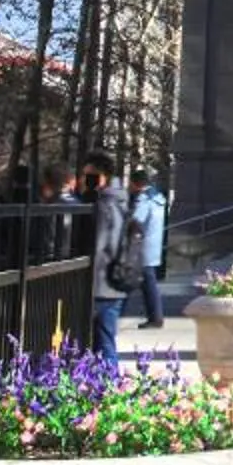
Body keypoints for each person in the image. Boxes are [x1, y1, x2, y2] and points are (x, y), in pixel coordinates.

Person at [81, 154, 132, 360]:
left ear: (103, 176)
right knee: (105, 339)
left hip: (101, 283)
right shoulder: (121, 199)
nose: (87, 180)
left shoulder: (105, 204)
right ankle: (109, 384)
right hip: (115, 282)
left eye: (91, 175)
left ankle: (110, 385)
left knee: (101, 342)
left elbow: (99, 244)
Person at [127, 168, 170, 328]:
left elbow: (137, 220)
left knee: (145, 282)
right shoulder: (157, 197)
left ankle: (155, 317)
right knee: (147, 282)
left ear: (135, 183)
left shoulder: (143, 199)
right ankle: (155, 316)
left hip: (141, 245)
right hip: (153, 245)